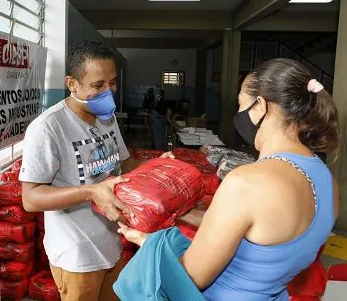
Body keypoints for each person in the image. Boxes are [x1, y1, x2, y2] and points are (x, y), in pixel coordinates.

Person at [118, 58, 340, 300]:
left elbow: (192, 276)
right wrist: (184, 214)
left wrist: (150, 243)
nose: (239, 116)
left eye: (241, 106)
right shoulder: (327, 180)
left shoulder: (246, 182)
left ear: (260, 106)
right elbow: (262, 237)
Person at [19, 40, 174, 301]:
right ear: (72, 84)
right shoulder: (48, 128)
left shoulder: (107, 118)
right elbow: (30, 198)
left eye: (112, 82)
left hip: (112, 243)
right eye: (98, 85)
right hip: (77, 254)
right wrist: (90, 192)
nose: (108, 93)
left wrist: (159, 164)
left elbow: (122, 165)